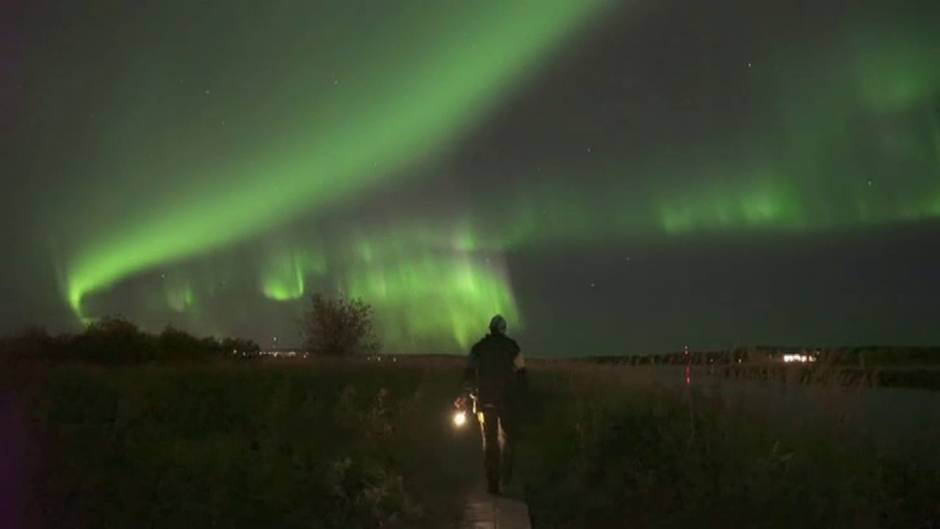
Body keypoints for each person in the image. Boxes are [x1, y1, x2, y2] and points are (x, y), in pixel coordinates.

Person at [461, 314, 526, 495]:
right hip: (507, 402)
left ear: (490, 328)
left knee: (489, 441)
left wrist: (466, 394)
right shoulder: (513, 347)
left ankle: (493, 482)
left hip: (485, 402)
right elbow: (522, 375)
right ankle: (506, 475)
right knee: (508, 439)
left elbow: (469, 373)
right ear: (504, 329)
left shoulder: (479, 348)